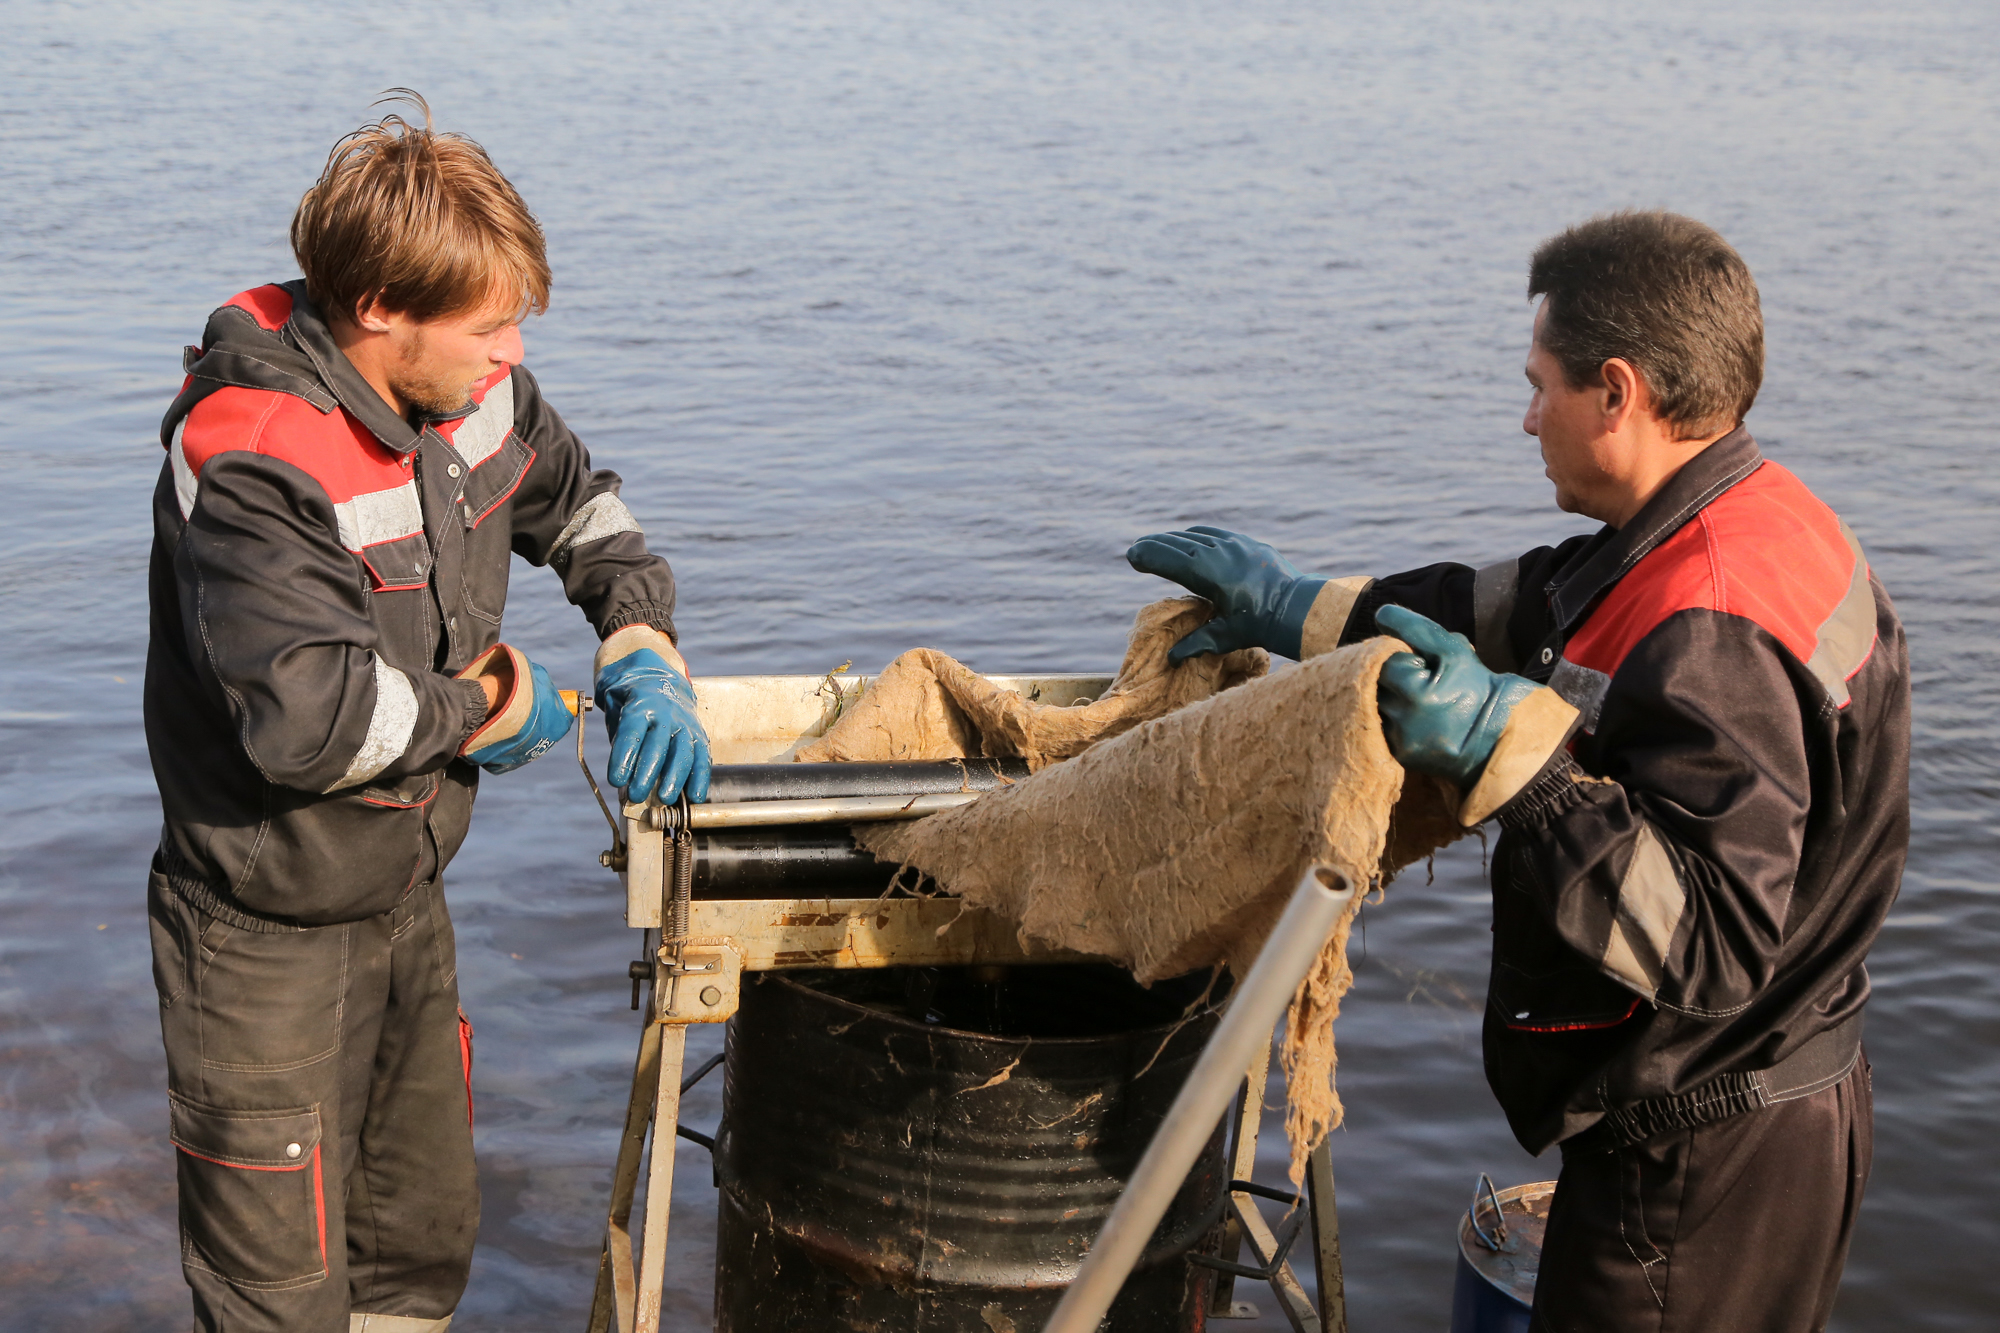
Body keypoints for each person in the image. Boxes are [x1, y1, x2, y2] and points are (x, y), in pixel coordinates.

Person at [1129, 211, 1906, 1332]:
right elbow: (1507, 613)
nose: (1526, 416)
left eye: (1540, 384)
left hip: (1704, 1155)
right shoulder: (1727, 517)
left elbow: (1714, 941)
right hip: (1770, 1097)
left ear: (1617, 392)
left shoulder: (1714, 622)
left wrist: (1516, 764)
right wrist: (1302, 607)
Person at [143, 92, 711, 1332]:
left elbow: (580, 508)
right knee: (277, 1295)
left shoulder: (474, 392)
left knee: (414, 1249)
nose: (510, 353)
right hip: (261, 930)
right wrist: (496, 711)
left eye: (518, 322)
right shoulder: (252, 456)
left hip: (405, 898)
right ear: (380, 310)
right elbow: (309, 723)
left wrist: (640, 641)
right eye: (490, 327)